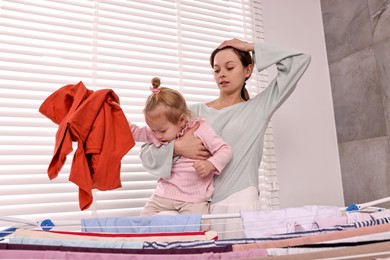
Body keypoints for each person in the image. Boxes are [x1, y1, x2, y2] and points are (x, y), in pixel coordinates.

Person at [140, 39, 311, 238]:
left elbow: (301, 60)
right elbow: (147, 151)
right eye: (216, 69)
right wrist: (177, 148)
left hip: (237, 202)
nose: (222, 74)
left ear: (248, 70)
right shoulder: (193, 113)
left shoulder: (258, 108)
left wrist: (250, 46)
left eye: (230, 67)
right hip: (194, 204)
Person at [130, 77, 233, 217]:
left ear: (182, 120)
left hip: (193, 199)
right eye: (153, 130)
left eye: (162, 131)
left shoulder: (200, 128)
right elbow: (135, 132)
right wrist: (114, 113)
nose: (157, 136)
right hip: (163, 195)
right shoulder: (158, 130)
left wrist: (210, 164)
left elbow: (225, 150)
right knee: (143, 224)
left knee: (199, 229)